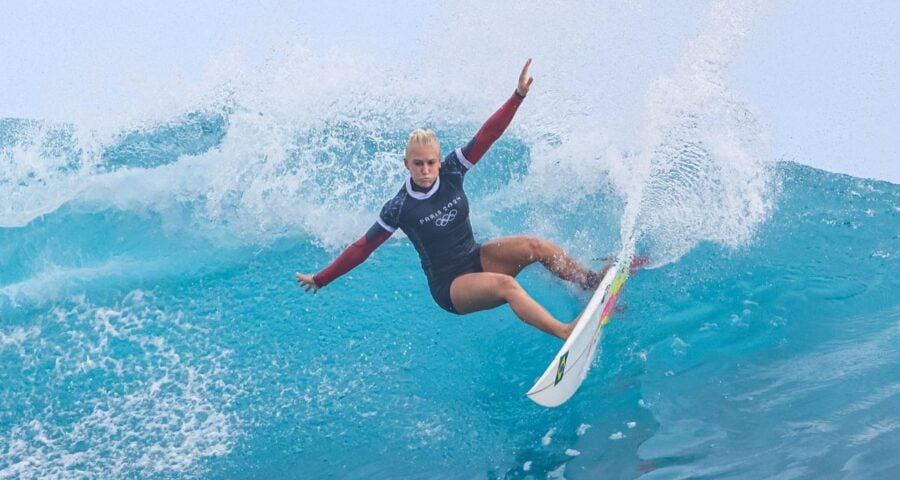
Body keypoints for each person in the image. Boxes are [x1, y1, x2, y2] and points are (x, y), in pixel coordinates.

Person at [296, 59, 608, 340]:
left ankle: (590, 281)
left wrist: (518, 96)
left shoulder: (453, 171)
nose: (426, 169)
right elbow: (362, 247)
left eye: (431, 162)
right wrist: (322, 279)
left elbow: (488, 134)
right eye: (418, 164)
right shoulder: (399, 207)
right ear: (407, 164)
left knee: (535, 246)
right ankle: (565, 332)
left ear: (438, 161)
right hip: (450, 286)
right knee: (507, 286)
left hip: (475, 257)